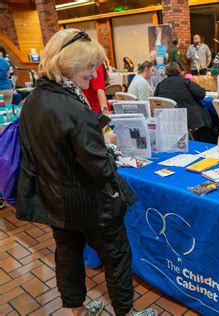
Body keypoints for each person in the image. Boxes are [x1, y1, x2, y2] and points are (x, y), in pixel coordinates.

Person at [15, 29, 156, 316]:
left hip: (55, 200)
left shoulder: (32, 100)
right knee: (116, 257)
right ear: (69, 61)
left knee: (67, 256)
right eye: (90, 66)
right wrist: (107, 146)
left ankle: (76, 311)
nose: (94, 75)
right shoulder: (72, 106)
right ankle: (126, 313)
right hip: (91, 203)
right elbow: (100, 169)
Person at [154, 62, 215, 143]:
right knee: (210, 116)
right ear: (179, 71)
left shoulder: (160, 85)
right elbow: (201, 94)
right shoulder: (185, 82)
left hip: (168, 120)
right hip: (189, 120)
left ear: (166, 72)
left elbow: (155, 100)